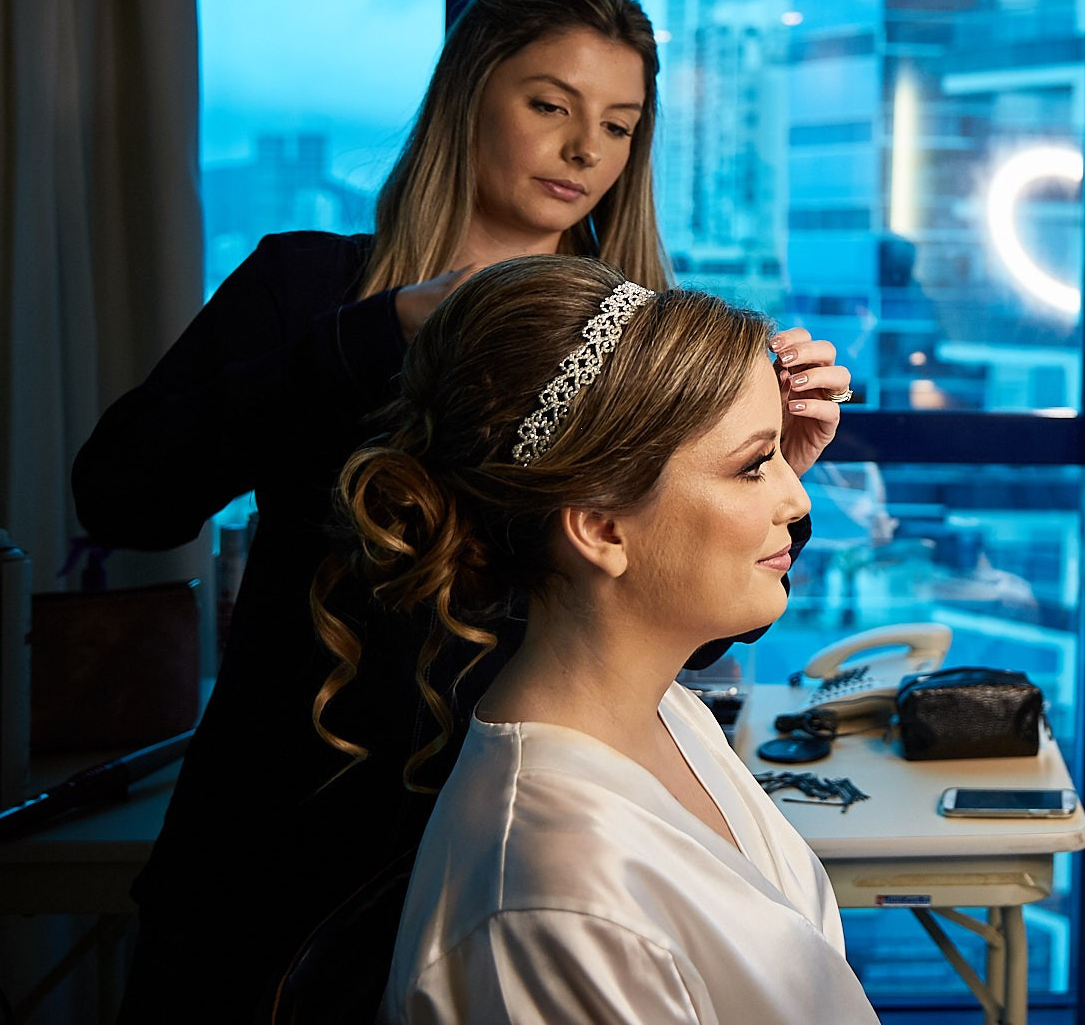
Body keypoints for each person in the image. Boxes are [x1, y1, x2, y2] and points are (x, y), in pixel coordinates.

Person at [68, 0, 853, 1021]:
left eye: (620, 125)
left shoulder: (635, 350)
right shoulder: (313, 291)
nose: (586, 150)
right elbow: (122, 497)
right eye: (550, 105)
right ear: (466, 96)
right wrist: (370, 334)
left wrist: (769, 481)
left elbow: (654, 625)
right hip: (277, 850)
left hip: (526, 845)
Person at [316, 256, 879, 1024]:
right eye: (754, 465)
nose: (798, 497)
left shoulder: (667, 714)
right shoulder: (555, 897)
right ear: (601, 526)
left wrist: (759, 458)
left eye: (781, 455)